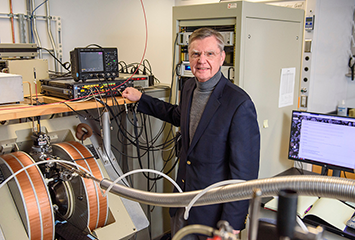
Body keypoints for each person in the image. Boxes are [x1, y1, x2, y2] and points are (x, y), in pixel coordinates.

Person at [122, 27, 260, 239]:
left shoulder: (239, 104)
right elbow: (179, 115)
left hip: (212, 216)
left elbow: (244, 176)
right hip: (182, 203)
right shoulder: (189, 88)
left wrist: (231, 226)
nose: (201, 60)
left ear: (222, 57)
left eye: (209, 54)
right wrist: (142, 99)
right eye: (196, 54)